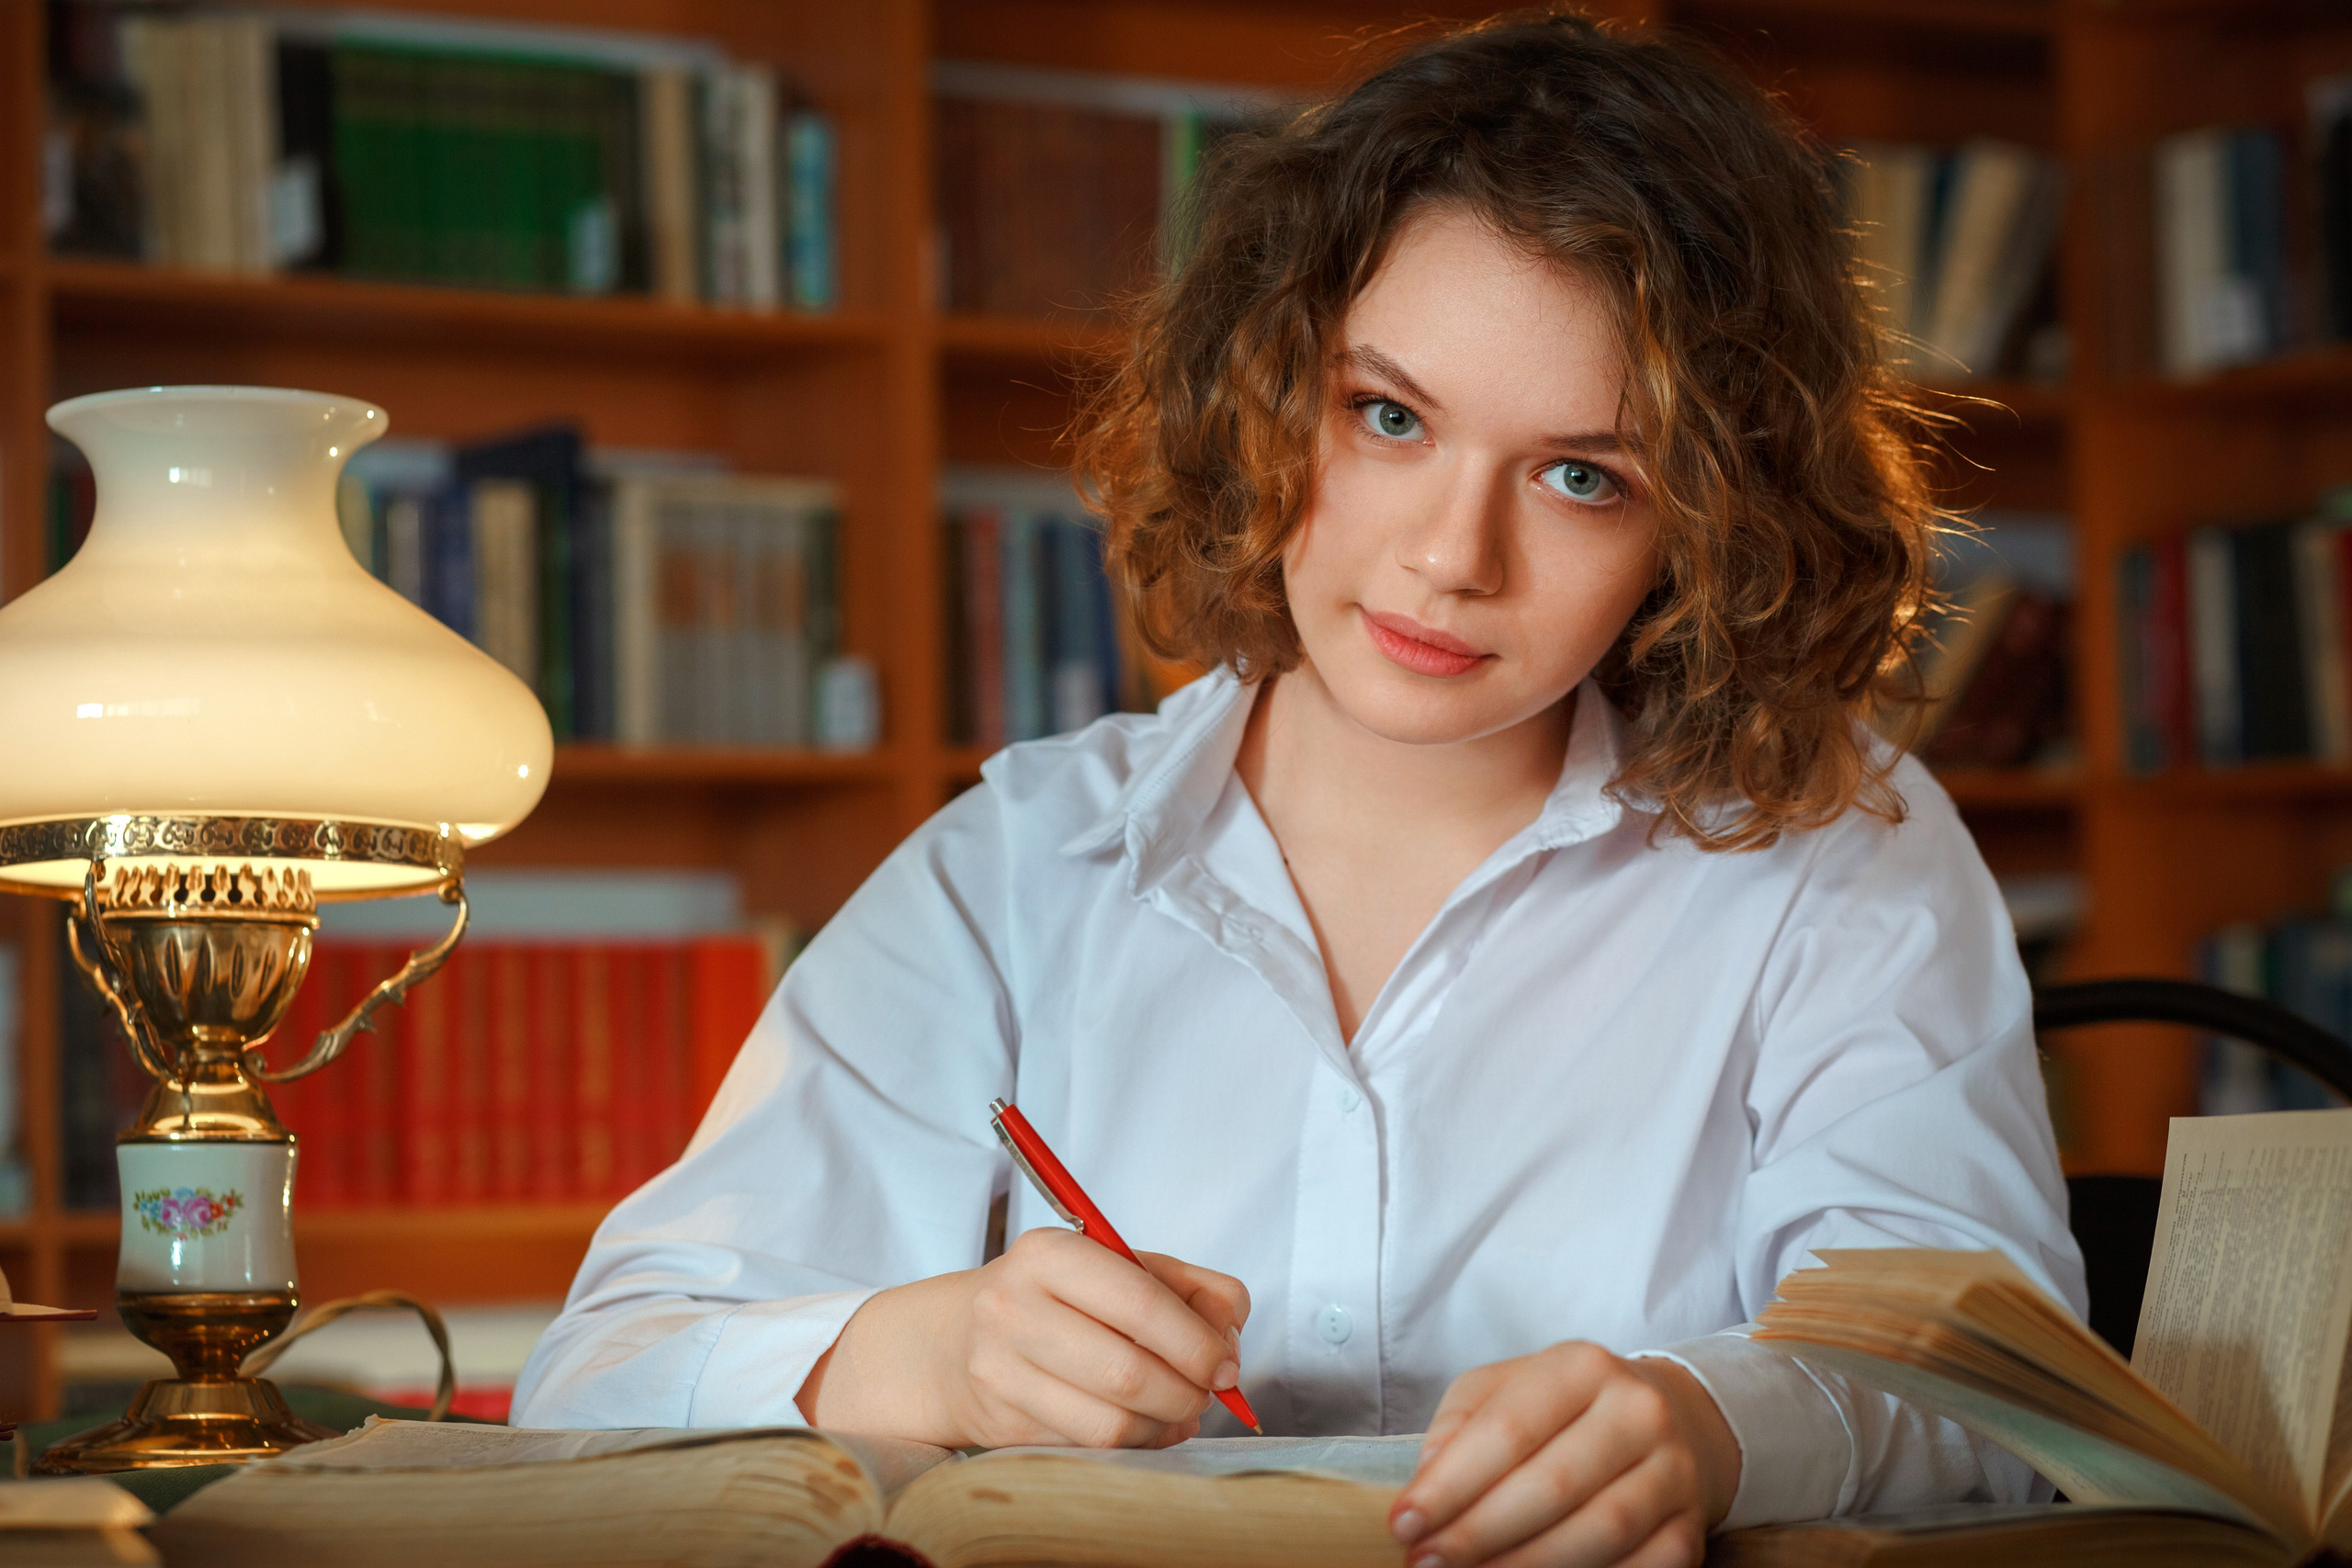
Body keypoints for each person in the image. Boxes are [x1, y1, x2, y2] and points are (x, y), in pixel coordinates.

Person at [513, 12, 2083, 1567]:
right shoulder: (1021, 864)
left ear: (1707, 526)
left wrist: (1707, 1427)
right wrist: (922, 1357)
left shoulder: (1836, 849)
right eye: (1388, 416)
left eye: (1582, 474)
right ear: (1267, 396)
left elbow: (2002, 1401)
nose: (1449, 558)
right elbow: (591, 1375)